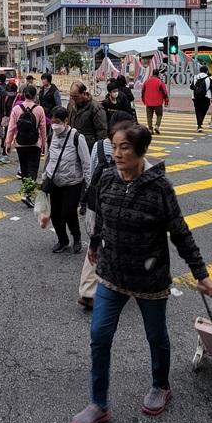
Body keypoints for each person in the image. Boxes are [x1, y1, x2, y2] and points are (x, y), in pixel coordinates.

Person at [70, 124, 212, 423]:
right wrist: (94, 245)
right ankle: (98, 403)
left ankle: (161, 385)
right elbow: (102, 217)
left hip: (150, 278)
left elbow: (180, 232)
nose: (117, 153)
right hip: (111, 274)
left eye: (124, 147)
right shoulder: (107, 178)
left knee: (155, 335)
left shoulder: (159, 188)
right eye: (114, 146)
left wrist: (201, 274)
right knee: (99, 334)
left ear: (141, 151)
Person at [79, 112, 136, 310]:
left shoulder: (98, 146)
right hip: (120, 206)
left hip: (98, 202)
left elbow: (92, 170)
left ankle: (88, 291)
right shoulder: (132, 148)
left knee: (95, 244)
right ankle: (116, 286)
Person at [42, 107, 91, 254]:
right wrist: (44, 176)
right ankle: (62, 240)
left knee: (68, 212)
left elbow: (86, 163)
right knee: (55, 214)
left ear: (66, 121)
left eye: (57, 122)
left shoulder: (77, 138)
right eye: (53, 122)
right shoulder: (51, 136)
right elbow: (48, 158)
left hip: (72, 182)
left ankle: (77, 238)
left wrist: (89, 185)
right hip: (54, 180)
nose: (55, 125)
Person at [5, 84, 47, 195]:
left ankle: (25, 190)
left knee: (24, 168)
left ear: (24, 95)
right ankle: (29, 192)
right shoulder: (39, 109)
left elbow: (11, 128)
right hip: (35, 144)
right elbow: (43, 128)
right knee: (33, 168)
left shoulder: (16, 109)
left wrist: (8, 143)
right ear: (35, 95)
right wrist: (43, 144)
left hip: (20, 143)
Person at [68, 82, 108, 153]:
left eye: (75, 96)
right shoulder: (71, 105)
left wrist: (99, 150)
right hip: (73, 145)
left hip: (89, 146)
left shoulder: (95, 108)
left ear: (83, 93)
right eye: (71, 96)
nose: (73, 99)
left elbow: (102, 131)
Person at [189, 65, 212, 132]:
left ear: (200, 71)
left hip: (196, 97)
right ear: (207, 71)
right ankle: (200, 123)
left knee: (198, 111)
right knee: (204, 111)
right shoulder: (209, 79)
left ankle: (199, 125)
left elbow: (191, 87)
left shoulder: (195, 77)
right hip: (206, 97)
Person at [141, 69, 169, 134]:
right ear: (158, 74)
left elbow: (143, 91)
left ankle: (150, 129)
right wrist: (166, 100)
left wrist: (143, 100)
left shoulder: (147, 81)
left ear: (152, 74)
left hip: (148, 102)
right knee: (159, 114)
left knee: (149, 116)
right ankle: (157, 126)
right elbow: (164, 92)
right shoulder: (160, 82)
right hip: (158, 102)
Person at [0, 73, 12, 162]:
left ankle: (2, 138)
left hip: (0, 110)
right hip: (7, 110)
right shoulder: (7, 87)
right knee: (7, 125)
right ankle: (5, 139)